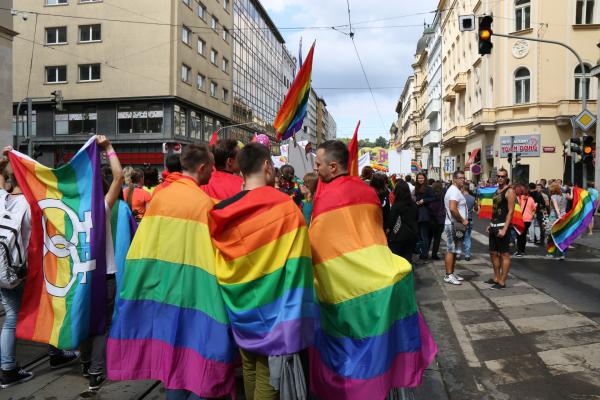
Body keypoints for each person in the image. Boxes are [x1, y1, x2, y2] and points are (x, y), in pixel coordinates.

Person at [107, 144, 237, 400]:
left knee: (173, 358)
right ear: (202, 168)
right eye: (211, 167)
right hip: (198, 293)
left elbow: (144, 245)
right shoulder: (205, 204)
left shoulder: (160, 197)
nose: (213, 171)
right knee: (201, 357)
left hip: (164, 289)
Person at [310, 141, 436, 400]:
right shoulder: (367, 192)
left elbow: (319, 244)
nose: (315, 168)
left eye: (318, 164)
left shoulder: (327, 197)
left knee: (349, 347)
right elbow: (374, 235)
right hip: (380, 277)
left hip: (345, 286)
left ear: (333, 167)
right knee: (379, 343)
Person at [209, 143, 315, 400]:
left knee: (249, 368)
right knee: (269, 379)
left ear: (241, 169)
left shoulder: (221, 211)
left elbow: (220, 260)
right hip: (276, 314)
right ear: (268, 166)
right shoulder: (285, 207)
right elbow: (299, 264)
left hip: (239, 306)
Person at [0, 148, 79, 389]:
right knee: (47, 306)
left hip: (3, 270)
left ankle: (10, 366)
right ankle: (11, 367)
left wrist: (7, 159)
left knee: (11, 316)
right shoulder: (32, 204)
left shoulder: (1, 198)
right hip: (23, 270)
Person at [79, 135, 124, 391]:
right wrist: (108, 148)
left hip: (81, 276)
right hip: (105, 275)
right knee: (102, 324)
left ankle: (85, 362)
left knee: (84, 319)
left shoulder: (70, 212)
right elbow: (118, 177)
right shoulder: (102, 207)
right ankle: (96, 372)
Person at [486, 168, 516, 289]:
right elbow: (495, 209)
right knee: (493, 253)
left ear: (506, 177)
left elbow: (511, 211)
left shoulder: (510, 191)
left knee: (504, 254)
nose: (500, 178)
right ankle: (496, 277)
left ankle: (502, 281)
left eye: (502, 176)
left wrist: (505, 228)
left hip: (503, 226)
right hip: (493, 226)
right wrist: (490, 224)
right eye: (498, 176)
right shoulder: (497, 190)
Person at [443, 171, 468, 285]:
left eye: (463, 178)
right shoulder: (453, 191)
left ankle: (451, 273)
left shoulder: (455, 190)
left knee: (453, 250)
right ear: (454, 179)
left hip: (454, 224)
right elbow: (453, 209)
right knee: (451, 250)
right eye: (460, 178)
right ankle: (448, 275)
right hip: (453, 224)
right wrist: (463, 220)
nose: (462, 180)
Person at [386, 180, 418, 263]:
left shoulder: (396, 205)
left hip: (398, 236)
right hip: (412, 234)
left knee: (397, 261)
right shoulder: (413, 204)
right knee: (408, 258)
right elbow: (416, 217)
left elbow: (391, 221)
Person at [415, 173, 435, 260]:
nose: (420, 180)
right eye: (419, 178)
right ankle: (421, 251)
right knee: (419, 235)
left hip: (425, 214)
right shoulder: (416, 187)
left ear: (425, 178)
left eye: (422, 178)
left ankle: (424, 253)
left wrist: (424, 200)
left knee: (424, 235)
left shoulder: (428, 188)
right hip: (417, 213)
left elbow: (434, 198)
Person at [547, 181, 568, 260]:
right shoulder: (565, 195)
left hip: (554, 217)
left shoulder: (553, 197)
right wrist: (573, 190)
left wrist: (558, 215)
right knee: (562, 235)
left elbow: (556, 206)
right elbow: (572, 198)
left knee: (551, 235)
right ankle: (562, 253)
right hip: (564, 216)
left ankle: (551, 252)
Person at [515, 184, 537, 257]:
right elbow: (534, 208)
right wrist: (531, 215)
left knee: (519, 235)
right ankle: (522, 250)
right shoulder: (531, 199)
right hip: (528, 220)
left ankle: (519, 251)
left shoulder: (518, 198)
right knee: (523, 235)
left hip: (520, 219)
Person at [428, 182, 446, 260]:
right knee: (437, 238)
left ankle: (425, 252)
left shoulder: (431, 196)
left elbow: (430, 207)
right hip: (441, 219)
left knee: (429, 237)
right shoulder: (443, 195)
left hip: (431, 219)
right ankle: (434, 254)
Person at [462, 186, 478, 261]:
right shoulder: (472, 198)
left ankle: (458, 254)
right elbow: (476, 208)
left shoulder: (460, 197)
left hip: (461, 219)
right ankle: (467, 254)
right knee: (468, 237)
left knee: (459, 237)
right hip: (470, 219)